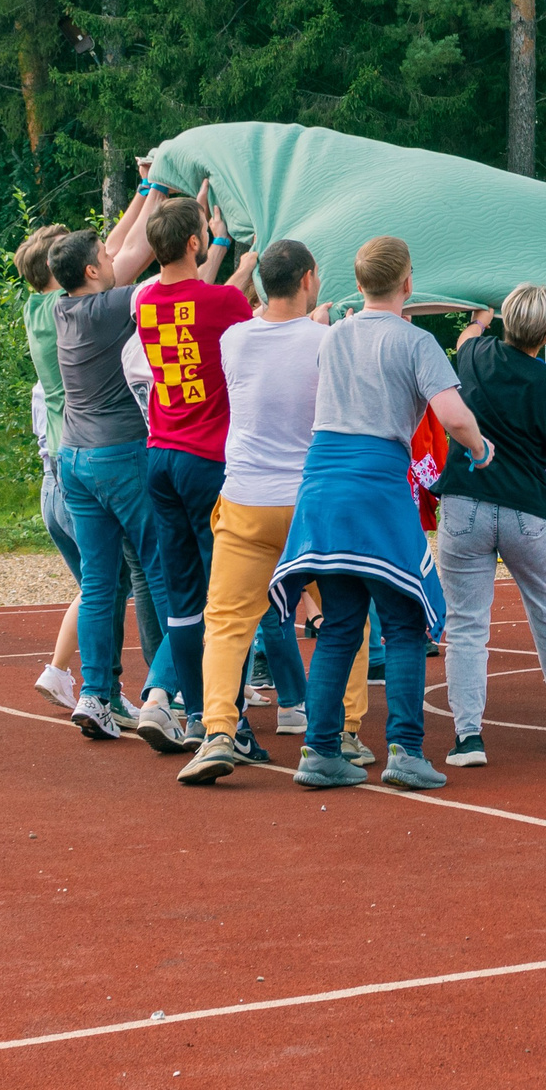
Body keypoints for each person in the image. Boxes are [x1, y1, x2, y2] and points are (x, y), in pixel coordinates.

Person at [271, 236, 492, 791]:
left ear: (359, 281)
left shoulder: (331, 336)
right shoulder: (416, 342)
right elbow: (452, 415)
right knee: (404, 621)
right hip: (375, 482)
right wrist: (481, 447)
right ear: (408, 282)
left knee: (341, 625)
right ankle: (406, 749)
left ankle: (319, 750)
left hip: (321, 482)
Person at [178, 240, 367, 783]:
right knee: (343, 614)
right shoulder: (327, 341)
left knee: (228, 622)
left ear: (262, 281)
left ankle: (217, 729)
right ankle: (345, 729)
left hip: (246, 499)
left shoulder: (234, 339)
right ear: (309, 278)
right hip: (310, 500)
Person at [431, 284, 546, 765]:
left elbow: (465, 338)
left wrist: (479, 317)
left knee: (465, 624)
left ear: (504, 320)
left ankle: (468, 737)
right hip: (525, 508)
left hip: (465, 501)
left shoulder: (475, 355)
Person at [128, 192, 253, 753]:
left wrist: (188, 216)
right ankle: (232, 718)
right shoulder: (224, 302)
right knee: (226, 594)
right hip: (209, 458)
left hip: (160, 456)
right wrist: (243, 252)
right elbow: (242, 309)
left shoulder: (141, 299)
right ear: (197, 243)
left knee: (181, 597)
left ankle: (198, 713)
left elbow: (186, 288)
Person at [50, 180, 165, 740]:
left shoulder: (62, 305)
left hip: (72, 458)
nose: (111, 258)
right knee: (158, 568)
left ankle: (95, 695)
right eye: (102, 258)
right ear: (93, 273)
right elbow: (148, 258)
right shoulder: (114, 307)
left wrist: (150, 189)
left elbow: (119, 248)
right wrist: (170, 207)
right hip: (119, 455)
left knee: (99, 582)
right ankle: (172, 692)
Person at [15, 223, 87, 713]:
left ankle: (60, 671)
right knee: (113, 584)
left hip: (50, 481)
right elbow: (124, 254)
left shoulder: (34, 311)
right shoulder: (68, 312)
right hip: (74, 469)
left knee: (95, 588)